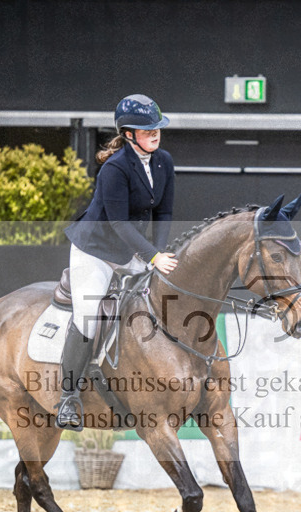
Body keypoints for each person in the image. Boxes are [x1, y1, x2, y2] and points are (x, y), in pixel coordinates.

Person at [56, 94, 178, 430]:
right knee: (88, 315)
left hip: (129, 252)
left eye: (157, 128)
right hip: (95, 250)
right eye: (146, 129)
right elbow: (118, 223)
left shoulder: (163, 161)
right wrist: (152, 256)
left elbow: (163, 212)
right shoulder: (114, 169)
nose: (155, 134)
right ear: (127, 134)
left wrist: (159, 255)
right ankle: (68, 397)